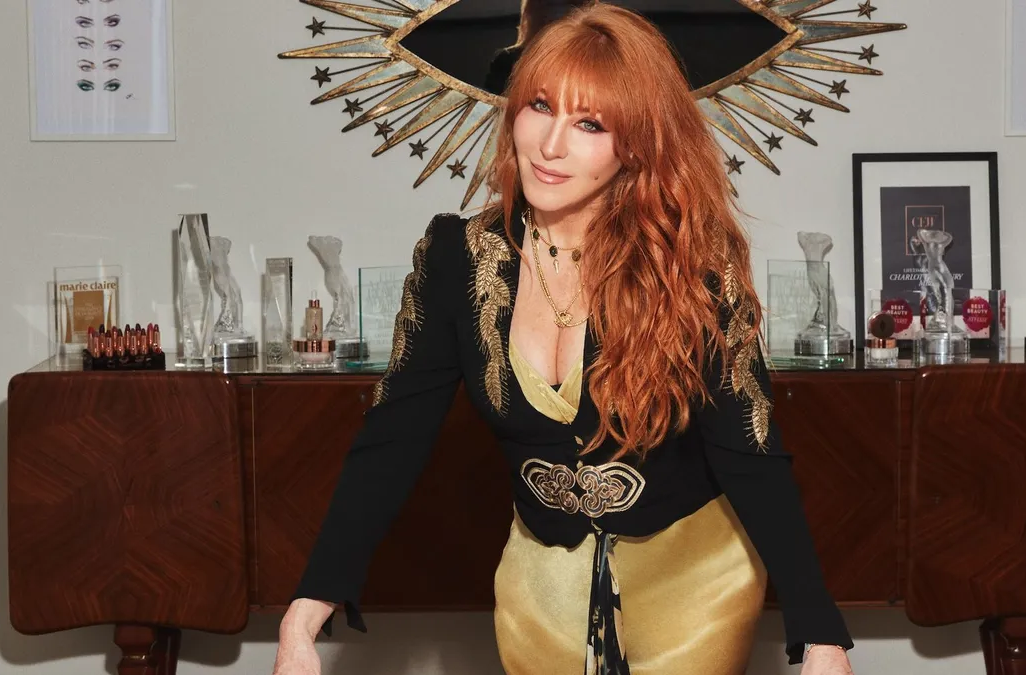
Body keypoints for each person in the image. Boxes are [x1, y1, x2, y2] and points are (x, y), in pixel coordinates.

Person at [273, 3, 855, 674]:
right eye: (539, 106)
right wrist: (304, 612)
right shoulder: (456, 258)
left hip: (693, 579)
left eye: (589, 123)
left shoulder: (694, 263)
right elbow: (391, 439)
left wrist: (820, 632)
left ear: (636, 143)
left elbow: (750, 451)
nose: (550, 144)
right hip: (539, 583)